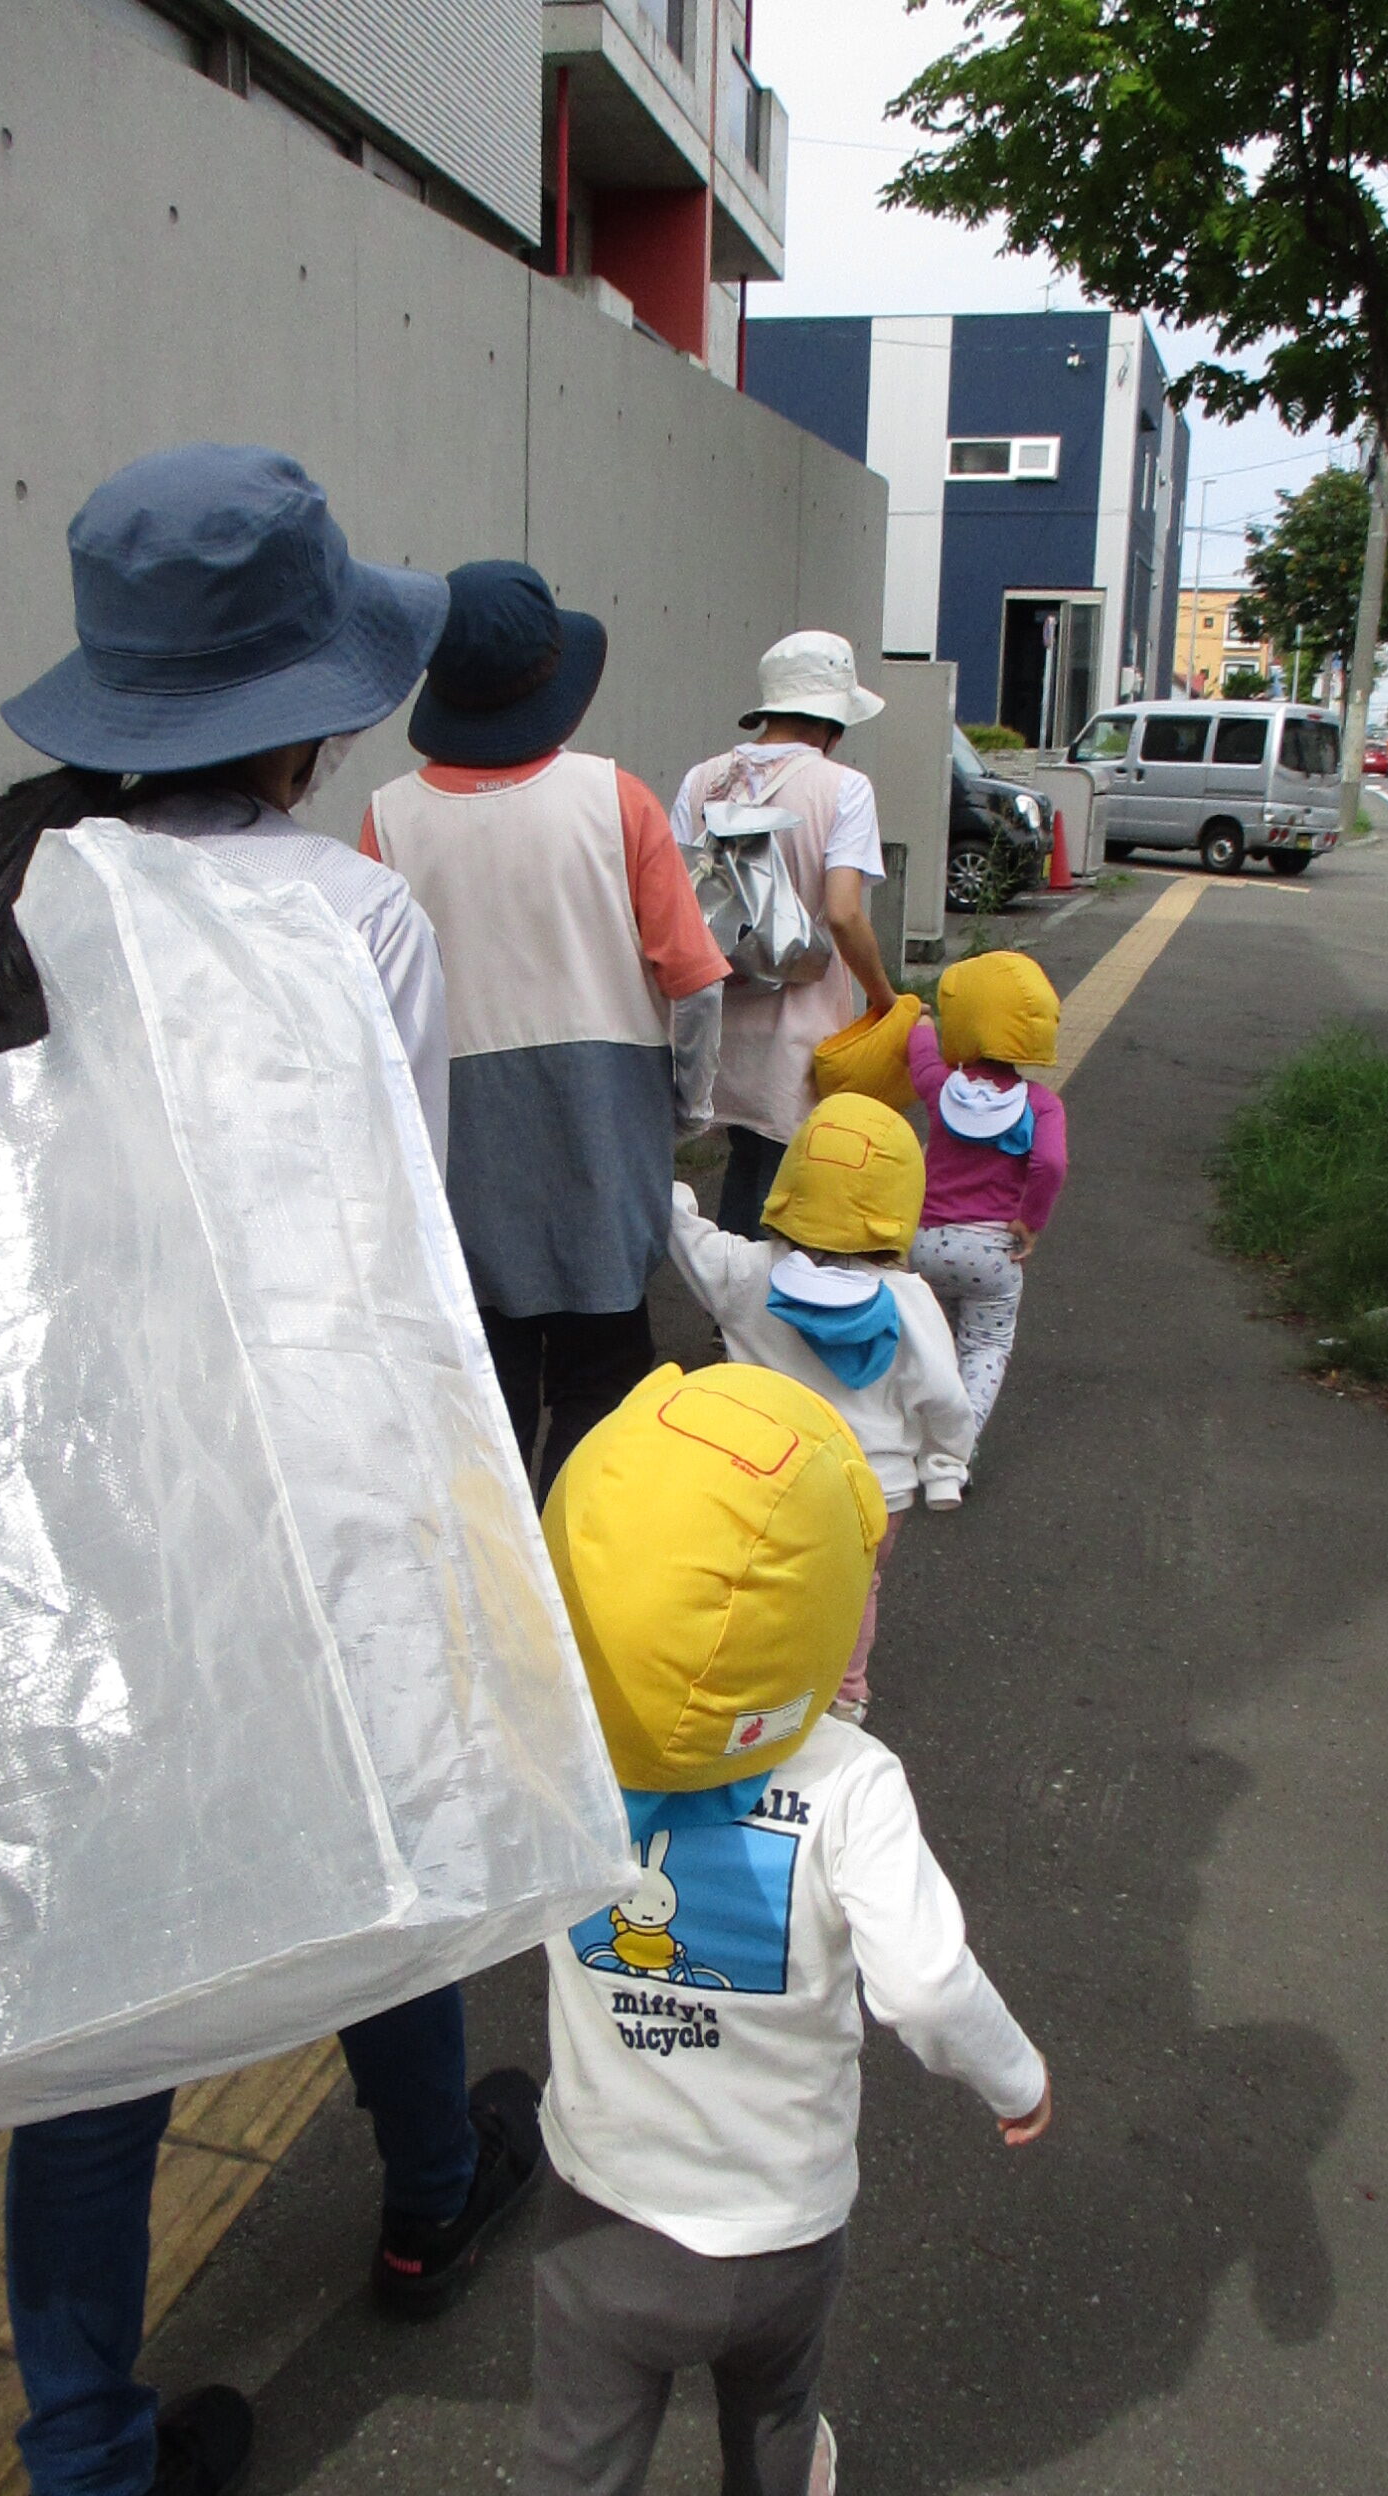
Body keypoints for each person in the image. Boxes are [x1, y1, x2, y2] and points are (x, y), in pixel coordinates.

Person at [0, 446, 545, 2496]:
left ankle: (88, 2484)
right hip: (294, 1501)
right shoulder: (353, 914)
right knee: (373, 1843)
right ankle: (431, 2197)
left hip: (47, 1516)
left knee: (103, 1976)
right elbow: (387, 1228)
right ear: (309, 714)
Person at [500, 1362, 1051, 2496]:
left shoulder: (546, 1758)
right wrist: (1018, 2079)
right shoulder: (852, 1787)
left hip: (598, 2210)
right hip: (779, 2228)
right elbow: (928, 1985)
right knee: (773, 2415)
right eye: (863, 1584)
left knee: (569, 2476)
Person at [362, 560, 729, 1495]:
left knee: (481, 1405)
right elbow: (694, 987)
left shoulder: (390, 819)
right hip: (601, 1130)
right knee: (604, 1395)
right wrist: (686, 1105)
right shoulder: (618, 800)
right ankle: (583, 1563)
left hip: (459, 1149)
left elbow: (371, 1007)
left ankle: (496, 1569)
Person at [666, 1090, 973, 1719]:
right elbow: (945, 1397)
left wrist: (665, 1185)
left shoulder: (748, 1273)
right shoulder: (911, 1301)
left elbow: (687, 1237)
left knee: (759, 1583)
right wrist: (945, 1465)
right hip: (873, 1490)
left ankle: (753, 1688)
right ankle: (845, 1693)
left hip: (766, 1480)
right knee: (856, 1589)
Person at [671, 633, 899, 1241]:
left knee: (746, 1162)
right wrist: (885, 1001)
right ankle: (759, 1298)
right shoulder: (844, 788)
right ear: (833, 721)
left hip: (716, 1011)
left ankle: (729, 1289)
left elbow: (674, 898)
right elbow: (844, 915)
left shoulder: (701, 781)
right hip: (798, 1019)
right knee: (785, 1181)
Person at [905, 951, 1069, 1441]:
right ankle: (956, 1448)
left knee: (934, 1344)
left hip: (926, 1245)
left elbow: (921, 1057)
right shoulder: (1041, 1104)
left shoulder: (942, 1087)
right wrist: (1030, 1221)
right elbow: (1050, 1164)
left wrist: (921, 1021)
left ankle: (916, 1434)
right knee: (985, 1346)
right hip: (991, 1253)